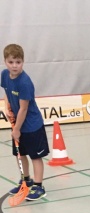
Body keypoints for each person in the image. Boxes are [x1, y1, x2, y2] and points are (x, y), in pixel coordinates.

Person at [1, 43, 49, 200]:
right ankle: (25, 182)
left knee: (35, 156)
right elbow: (6, 93)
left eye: (18, 62)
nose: (14, 66)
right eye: (11, 62)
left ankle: (39, 186)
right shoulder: (4, 75)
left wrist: (17, 129)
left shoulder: (24, 82)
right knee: (20, 155)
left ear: (23, 61)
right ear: (5, 62)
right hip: (18, 124)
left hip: (31, 126)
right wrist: (7, 107)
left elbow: (23, 108)